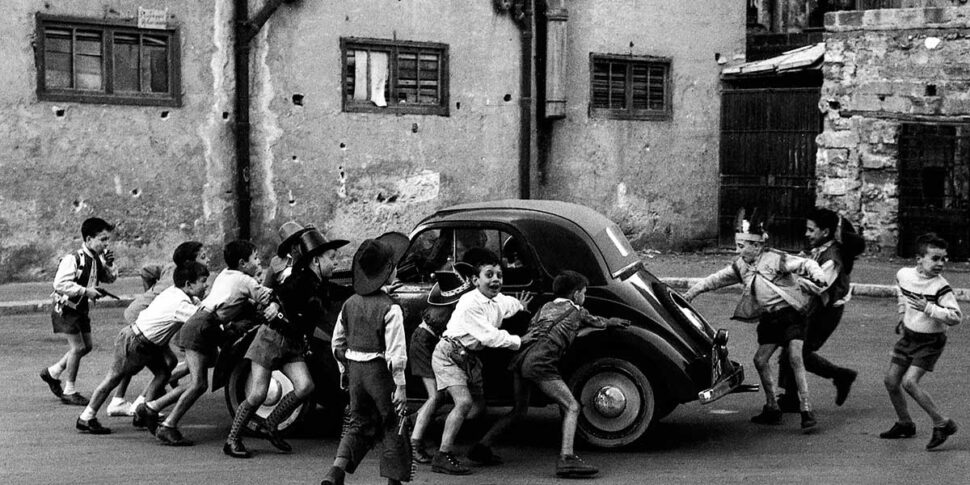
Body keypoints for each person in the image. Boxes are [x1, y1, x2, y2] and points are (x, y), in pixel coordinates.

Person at [471, 270, 629, 478]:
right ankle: (567, 458)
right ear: (575, 295)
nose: (585, 296)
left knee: (519, 410)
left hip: (521, 360)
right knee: (571, 406)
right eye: (584, 292)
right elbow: (596, 321)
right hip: (540, 364)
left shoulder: (546, 306)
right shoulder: (577, 311)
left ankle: (481, 447)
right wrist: (611, 322)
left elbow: (534, 326)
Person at [683, 209, 826, 431]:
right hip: (770, 321)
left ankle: (806, 409)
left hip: (790, 316)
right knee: (760, 360)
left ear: (757, 246)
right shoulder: (741, 266)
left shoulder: (775, 259)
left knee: (795, 357)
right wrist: (691, 294)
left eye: (742, 246)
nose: (738, 251)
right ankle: (772, 407)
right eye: (738, 246)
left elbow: (803, 264)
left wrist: (817, 273)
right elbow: (715, 280)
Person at [136, 240, 278, 446]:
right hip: (202, 327)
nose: (259, 262)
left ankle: (151, 407)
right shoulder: (244, 280)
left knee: (202, 376)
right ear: (243, 263)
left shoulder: (226, 275)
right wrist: (275, 298)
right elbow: (263, 296)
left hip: (203, 324)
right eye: (255, 258)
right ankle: (167, 425)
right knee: (198, 384)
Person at [224, 228, 348, 458]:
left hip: (291, 343)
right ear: (316, 260)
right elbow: (276, 295)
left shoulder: (320, 283)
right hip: (270, 339)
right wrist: (274, 306)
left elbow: (340, 292)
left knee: (305, 386)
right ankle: (232, 439)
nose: (335, 263)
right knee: (258, 393)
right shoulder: (298, 280)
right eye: (332, 258)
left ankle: (271, 424)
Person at [430, 247, 533, 476]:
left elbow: (507, 304)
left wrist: (521, 306)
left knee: (477, 409)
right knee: (464, 403)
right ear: (476, 280)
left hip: (469, 359)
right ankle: (442, 454)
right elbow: (489, 336)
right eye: (489, 275)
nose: (495, 279)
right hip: (450, 355)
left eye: (499, 275)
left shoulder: (495, 300)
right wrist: (519, 340)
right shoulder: (470, 303)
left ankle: (431, 427)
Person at [74, 262, 210, 435]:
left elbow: (199, 305)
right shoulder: (180, 304)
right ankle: (86, 417)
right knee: (113, 378)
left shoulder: (176, 292)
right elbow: (202, 320)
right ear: (189, 285)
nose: (206, 285)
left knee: (163, 373)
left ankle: (142, 411)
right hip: (135, 341)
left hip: (147, 343)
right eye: (203, 281)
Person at [321, 232, 412, 485]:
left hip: (356, 373)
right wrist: (401, 387)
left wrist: (346, 367)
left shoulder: (349, 303)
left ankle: (335, 472)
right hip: (380, 373)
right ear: (389, 272)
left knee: (358, 423)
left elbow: (337, 342)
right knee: (393, 422)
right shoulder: (390, 308)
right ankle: (393, 482)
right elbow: (396, 354)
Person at [879, 233, 962, 450]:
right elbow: (901, 291)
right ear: (919, 259)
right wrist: (901, 313)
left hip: (930, 342)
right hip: (909, 336)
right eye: (935, 258)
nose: (941, 263)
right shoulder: (904, 274)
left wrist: (929, 308)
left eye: (944, 258)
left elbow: (955, 317)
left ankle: (942, 423)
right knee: (891, 381)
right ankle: (905, 423)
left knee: (909, 382)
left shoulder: (941, 287)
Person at [109, 241, 209, 417]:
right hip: (142, 317)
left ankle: (123, 399)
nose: (207, 259)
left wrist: (149, 292)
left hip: (137, 310)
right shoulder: (183, 284)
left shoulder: (172, 268)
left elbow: (146, 271)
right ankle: (142, 402)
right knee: (156, 361)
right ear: (189, 263)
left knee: (138, 359)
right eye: (203, 257)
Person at [777, 209, 863, 412]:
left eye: (810, 230)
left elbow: (819, 284)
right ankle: (791, 397)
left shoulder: (832, 258)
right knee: (791, 347)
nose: (806, 234)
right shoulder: (823, 249)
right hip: (815, 307)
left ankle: (840, 376)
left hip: (825, 312)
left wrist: (790, 279)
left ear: (825, 232)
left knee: (797, 350)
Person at [41, 217, 119, 406]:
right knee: (78, 348)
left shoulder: (96, 259)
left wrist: (110, 266)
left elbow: (109, 279)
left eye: (107, 239)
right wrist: (86, 291)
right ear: (89, 238)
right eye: (102, 239)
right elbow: (59, 284)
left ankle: (53, 372)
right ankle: (69, 390)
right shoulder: (74, 259)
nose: (105, 243)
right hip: (67, 308)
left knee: (88, 346)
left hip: (80, 308)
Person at [408, 265, 477, 464]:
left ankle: (414, 422)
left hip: (429, 342)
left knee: (440, 395)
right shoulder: (450, 307)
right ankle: (414, 442)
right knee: (436, 396)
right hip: (423, 342)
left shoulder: (449, 304)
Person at [262, 221, 314, 290]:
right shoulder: (276, 262)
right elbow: (266, 287)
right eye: (296, 241)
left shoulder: (311, 255)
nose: (300, 243)